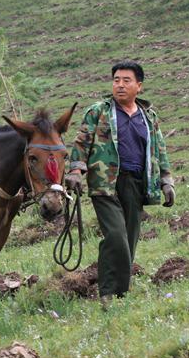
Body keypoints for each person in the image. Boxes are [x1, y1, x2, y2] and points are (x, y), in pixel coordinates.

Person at [64, 60, 174, 307]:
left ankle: (120, 294)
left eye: (126, 81)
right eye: (116, 80)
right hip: (105, 183)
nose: (120, 85)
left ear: (139, 86)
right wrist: (75, 171)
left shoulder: (149, 117)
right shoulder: (98, 112)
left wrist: (167, 181)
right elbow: (81, 143)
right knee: (116, 236)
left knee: (130, 238)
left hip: (137, 184)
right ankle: (107, 294)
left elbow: (159, 149)